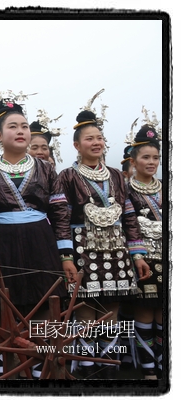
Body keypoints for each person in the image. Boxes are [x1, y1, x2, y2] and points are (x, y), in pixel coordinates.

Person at [0, 92, 76, 378]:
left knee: (44, 307)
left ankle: (42, 371)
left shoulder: (46, 169)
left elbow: (60, 214)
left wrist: (66, 256)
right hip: (0, 245)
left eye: (24, 126)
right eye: (12, 126)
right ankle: (5, 374)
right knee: (3, 311)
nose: (20, 131)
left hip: (40, 243)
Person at [57, 99, 150, 379]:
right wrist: (66, 257)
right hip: (83, 249)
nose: (96, 143)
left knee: (111, 309)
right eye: (89, 139)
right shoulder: (67, 177)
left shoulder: (117, 177)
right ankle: (87, 369)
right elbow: (62, 219)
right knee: (85, 307)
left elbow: (129, 217)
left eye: (99, 138)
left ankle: (109, 368)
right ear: (76, 145)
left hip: (117, 251)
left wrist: (138, 254)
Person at [126, 116, 164, 380]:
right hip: (141, 258)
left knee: (164, 312)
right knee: (145, 311)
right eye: (146, 157)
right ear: (133, 161)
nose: (151, 162)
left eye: (156, 157)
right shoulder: (125, 190)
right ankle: (148, 367)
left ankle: (163, 363)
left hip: (167, 257)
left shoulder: (169, 188)